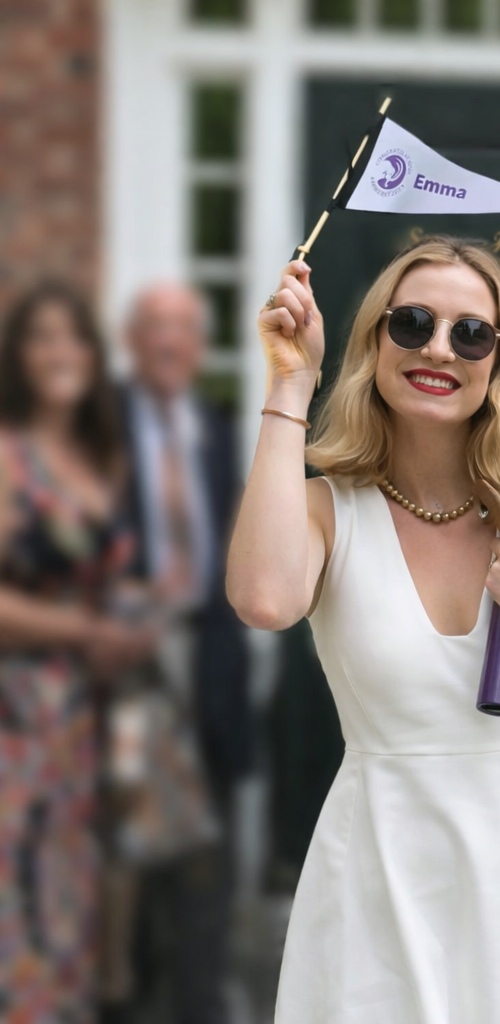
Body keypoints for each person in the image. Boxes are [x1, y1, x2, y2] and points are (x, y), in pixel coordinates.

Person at [227, 236, 500, 1023]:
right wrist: (290, 383)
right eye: (411, 323)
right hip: (380, 874)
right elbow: (263, 599)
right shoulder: (328, 510)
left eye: (470, 333)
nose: (439, 350)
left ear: (498, 360)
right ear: (375, 341)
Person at [0, 282, 150, 1024]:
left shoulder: (102, 457)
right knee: (19, 911)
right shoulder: (8, 458)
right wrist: (87, 634)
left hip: (100, 716)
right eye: (41, 338)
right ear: (18, 357)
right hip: (22, 722)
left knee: (82, 909)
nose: (61, 354)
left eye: (74, 338)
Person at [113, 283, 252, 1024]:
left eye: (183, 332)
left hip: (208, 661)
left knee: (210, 857)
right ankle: (128, 999)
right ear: (130, 341)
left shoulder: (218, 428)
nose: (169, 345)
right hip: (125, 665)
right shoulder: (94, 424)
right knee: (127, 855)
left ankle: (202, 1001)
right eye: (155, 330)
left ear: (199, 348)